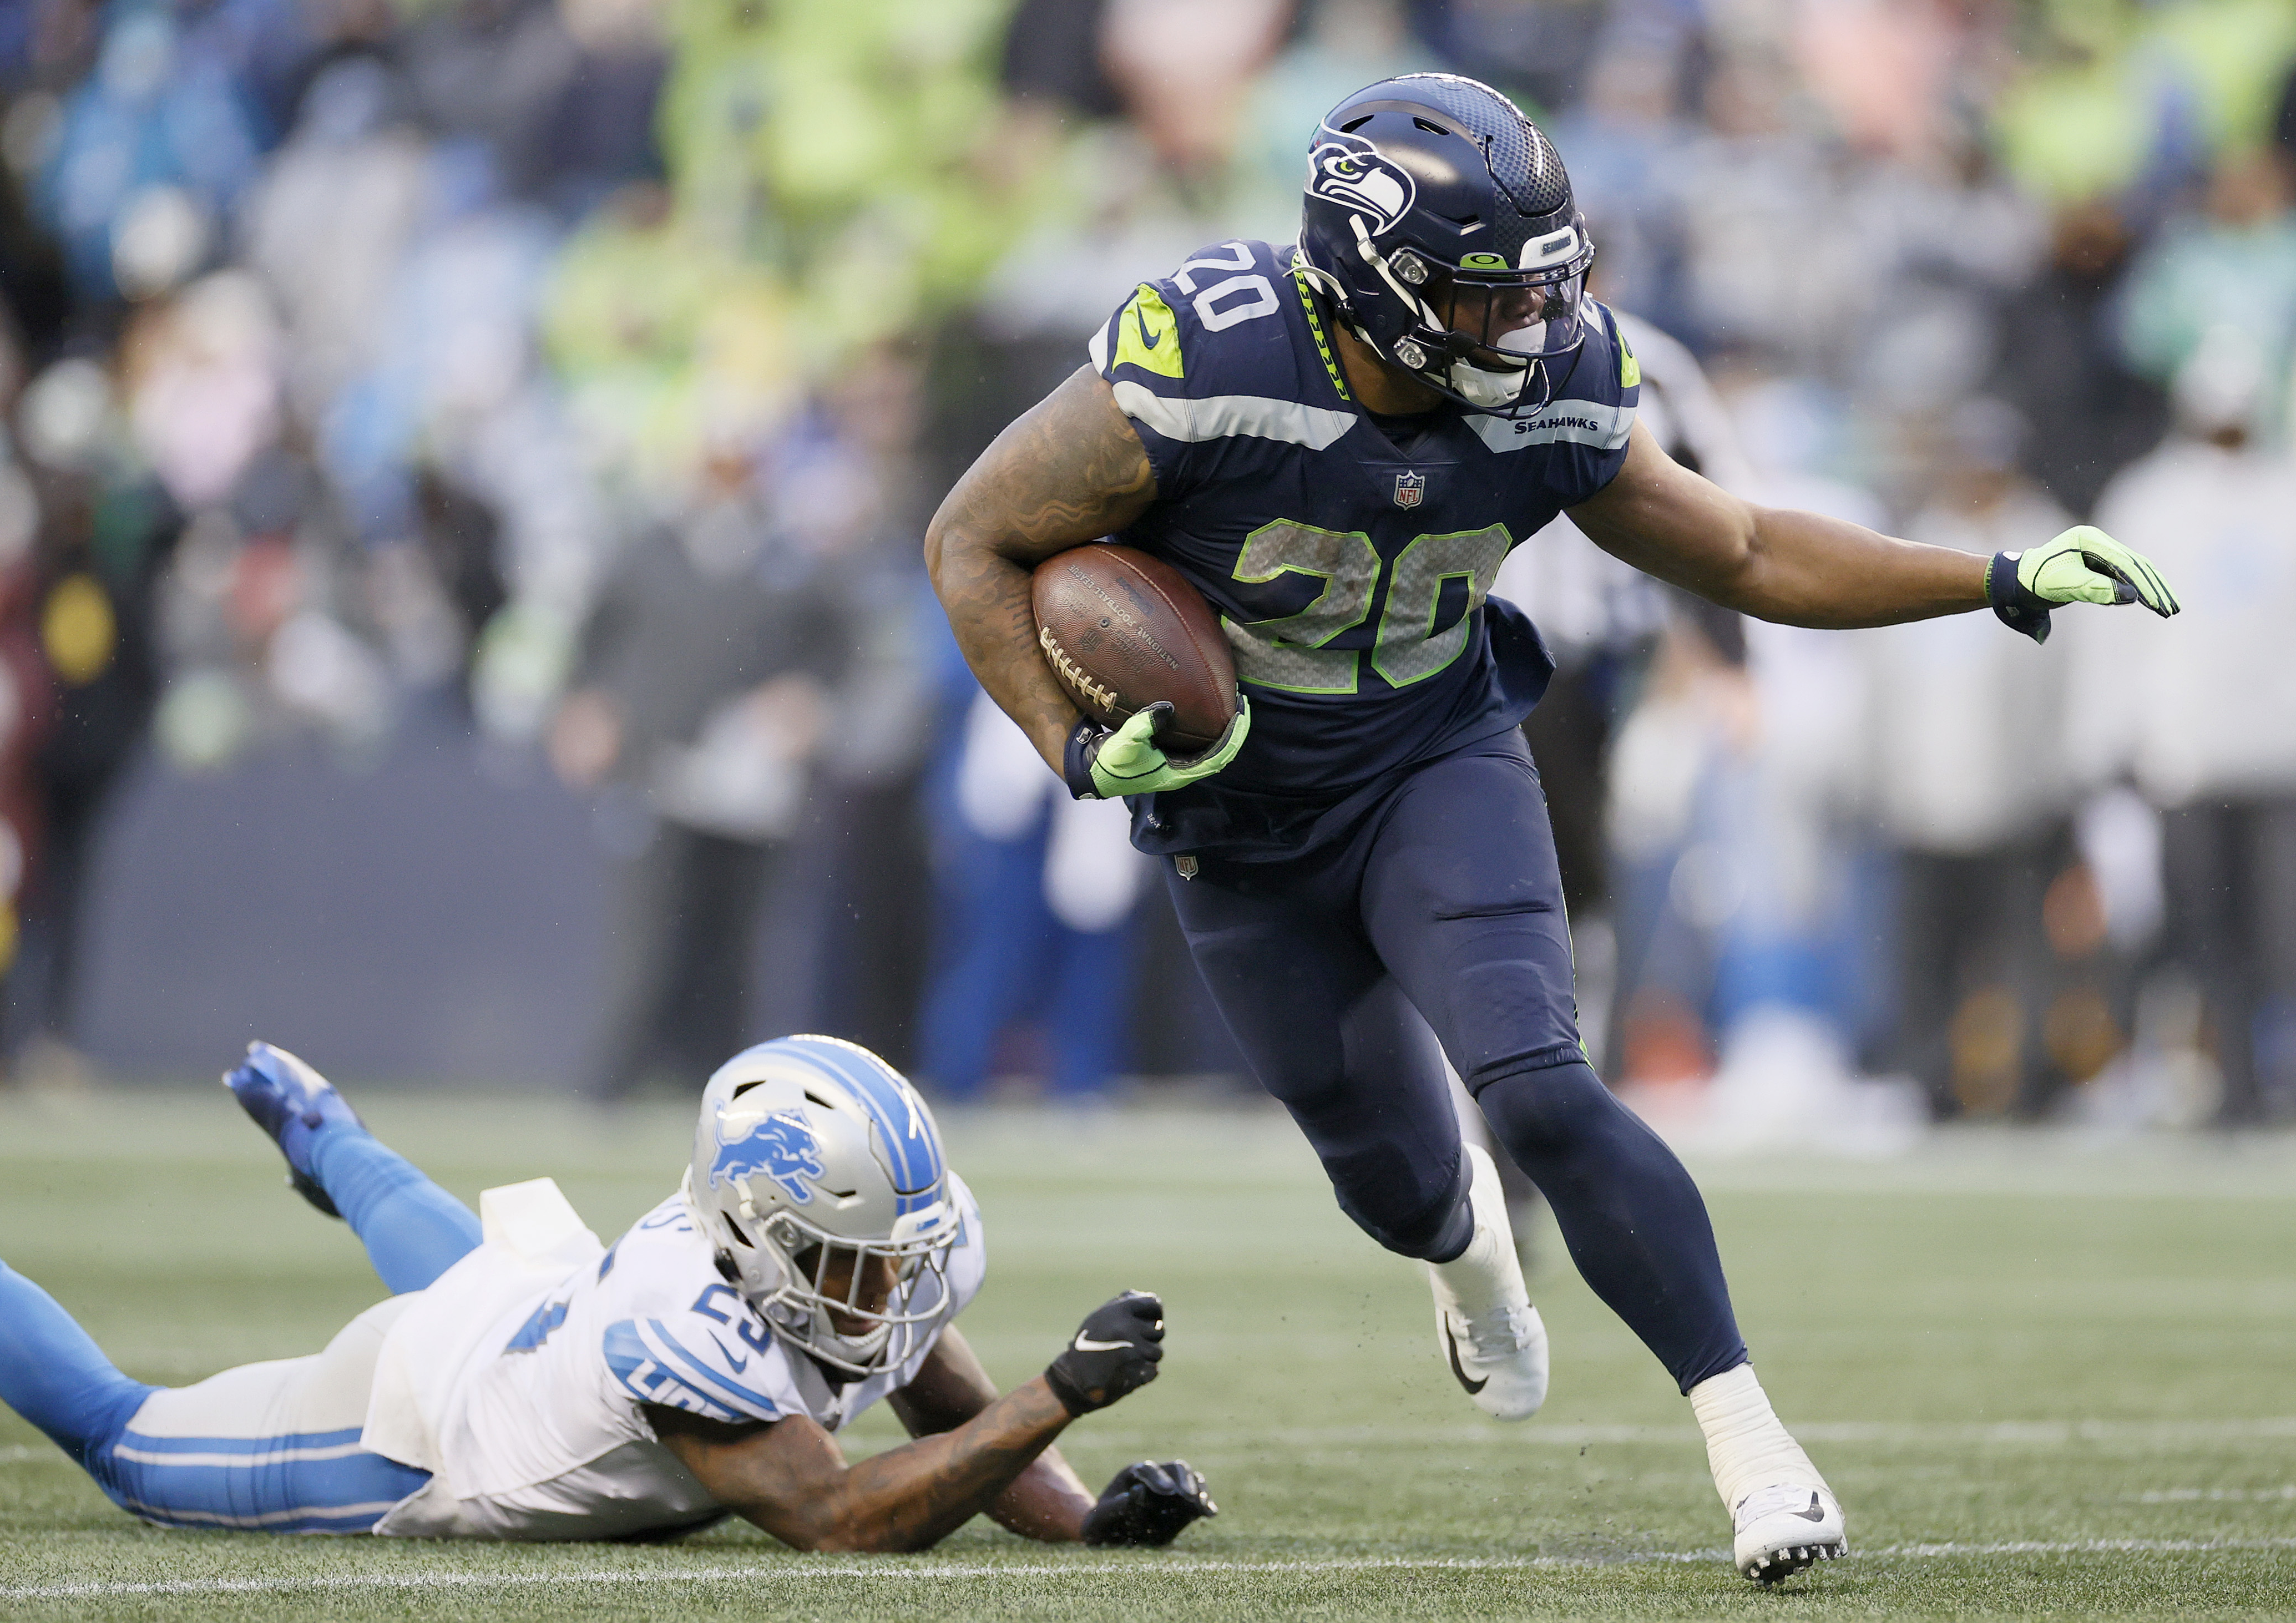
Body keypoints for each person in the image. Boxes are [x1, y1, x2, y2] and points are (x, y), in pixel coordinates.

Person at [925, 72, 2179, 1583]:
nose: (1531, 323)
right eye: (1485, 294)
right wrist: (1073, 743)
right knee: (1392, 1180)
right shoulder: (1205, 361)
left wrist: (1988, 575)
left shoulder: (1565, 376)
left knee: (1537, 1087)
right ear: (1372, 283)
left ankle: (1752, 1446)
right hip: (1235, 809)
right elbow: (974, 540)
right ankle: (1469, 1262)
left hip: (1428, 758)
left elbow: (1741, 541)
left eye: (1543, 282)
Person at [0, 1038, 1216, 1549]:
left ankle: (326, 1131)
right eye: (863, 1257)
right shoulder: (686, 1332)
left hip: (543, 1294)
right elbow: (840, 1517)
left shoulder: (838, 1264)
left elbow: (944, 1410)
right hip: (417, 1426)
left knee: (487, 1259)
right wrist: (1059, 1392)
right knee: (119, 1436)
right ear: (762, 1233)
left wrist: (1087, 1518)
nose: (898, 1286)